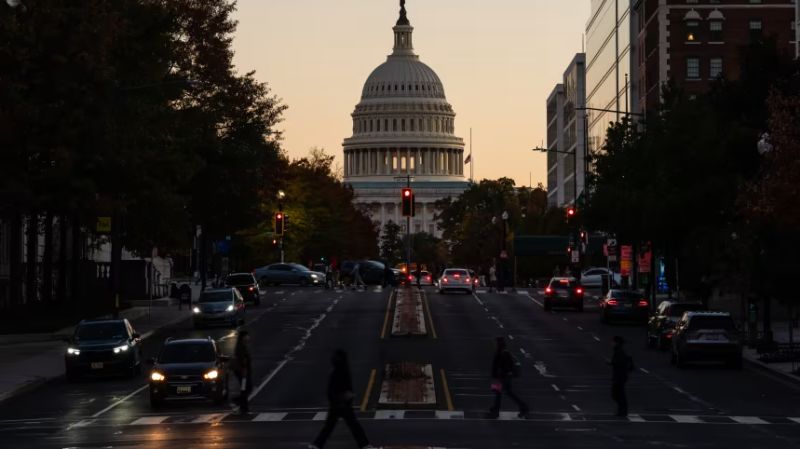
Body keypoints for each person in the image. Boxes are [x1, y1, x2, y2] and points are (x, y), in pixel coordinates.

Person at [309, 350, 372, 449]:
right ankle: (365, 445)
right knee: (353, 426)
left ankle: (317, 444)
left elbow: (331, 391)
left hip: (337, 405)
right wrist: (348, 397)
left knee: (330, 426)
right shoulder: (344, 371)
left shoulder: (335, 372)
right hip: (343, 404)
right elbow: (345, 387)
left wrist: (337, 400)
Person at [488, 337, 528, 419]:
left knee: (503, 393)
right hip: (501, 377)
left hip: (503, 378)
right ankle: (496, 409)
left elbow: (506, 367)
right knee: (502, 393)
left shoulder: (504, 353)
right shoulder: (500, 352)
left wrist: (500, 375)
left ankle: (523, 407)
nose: (494, 344)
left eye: (496, 343)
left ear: (499, 344)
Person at [610, 335, 633, 417]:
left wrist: (612, 362)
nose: (612, 343)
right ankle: (622, 410)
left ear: (617, 343)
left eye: (613, 342)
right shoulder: (618, 351)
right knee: (618, 393)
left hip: (620, 376)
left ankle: (623, 410)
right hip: (620, 375)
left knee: (618, 393)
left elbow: (620, 363)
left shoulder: (620, 352)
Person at [232, 330, 253, 415]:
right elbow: (242, 360)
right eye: (247, 335)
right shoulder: (240, 347)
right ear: (243, 337)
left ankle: (242, 406)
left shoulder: (243, 346)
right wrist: (244, 371)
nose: (248, 337)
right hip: (243, 372)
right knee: (246, 389)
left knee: (245, 389)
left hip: (244, 372)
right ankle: (240, 405)